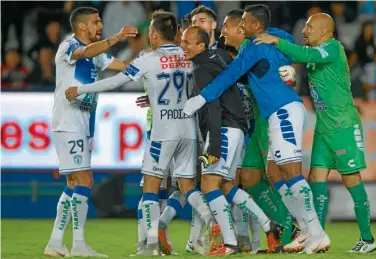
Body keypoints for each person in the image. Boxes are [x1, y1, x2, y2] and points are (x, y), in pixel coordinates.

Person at [65, 10, 218, 256]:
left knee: (150, 187)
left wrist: (82, 89)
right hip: (189, 129)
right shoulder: (189, 55)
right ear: (177, 34)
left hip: (163, 130)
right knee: (188, 185)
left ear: (155, 34)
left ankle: (151, 247)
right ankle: (212, 222)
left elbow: (115, 82)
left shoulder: (148, 58)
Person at [183, 4, 330, 254]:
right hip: (275, 114)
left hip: (283, 110)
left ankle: (317, 232)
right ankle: (306, 228)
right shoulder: (265, 40)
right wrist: (284, 53)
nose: (237, 27)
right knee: (279, 175)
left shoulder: (253, 47)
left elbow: (230, 75)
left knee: (292, 172)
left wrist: (202, 97)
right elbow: (284, 43)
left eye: (242, 23)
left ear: (255, 26)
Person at [254, 12, 376, 253]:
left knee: (351, 180)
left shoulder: (333, 48)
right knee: (315, 180)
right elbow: (305, 63)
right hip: (323, 128)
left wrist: (277, 41)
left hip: (343, 126)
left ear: (323, 31)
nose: (304, 30)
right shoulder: (314, 57)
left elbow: (306, 54)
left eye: (309, 27)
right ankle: (316, 234)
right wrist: (290, 74)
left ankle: (368, 239)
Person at [181, 26, 283, 255]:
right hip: (237, 129)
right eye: (182, 41)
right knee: (227, 186)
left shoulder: (201, 70)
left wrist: (214, 143)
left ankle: (230, 244)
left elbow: (213, 106)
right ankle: (269, 226)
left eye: (188, 42)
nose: (182, 46)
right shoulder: (217, 59)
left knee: (209, 185)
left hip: (224, 130)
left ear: (201, 46)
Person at [45, 6, 138, 257]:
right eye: (96, 22)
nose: (100, 25)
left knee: (73, 182)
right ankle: (78, 245)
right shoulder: (68, 46)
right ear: (83, 26)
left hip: (84, 123)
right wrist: (116, 38)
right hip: (68, 122)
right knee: (85, 180)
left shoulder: (96, 55)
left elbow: (121, 65)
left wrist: (152, 64)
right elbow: (85, 51)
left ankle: (55, 242)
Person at [221, 8, 302, 253]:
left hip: (268, 119)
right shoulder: (227, 52)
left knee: (277, 174)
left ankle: (293, 228)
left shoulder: (258, 44)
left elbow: (286, 42)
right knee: (249, 179)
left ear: (241, 28)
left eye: (227, 26)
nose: (222, 31)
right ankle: (284, 225)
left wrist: (274, 39)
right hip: (250, 126)